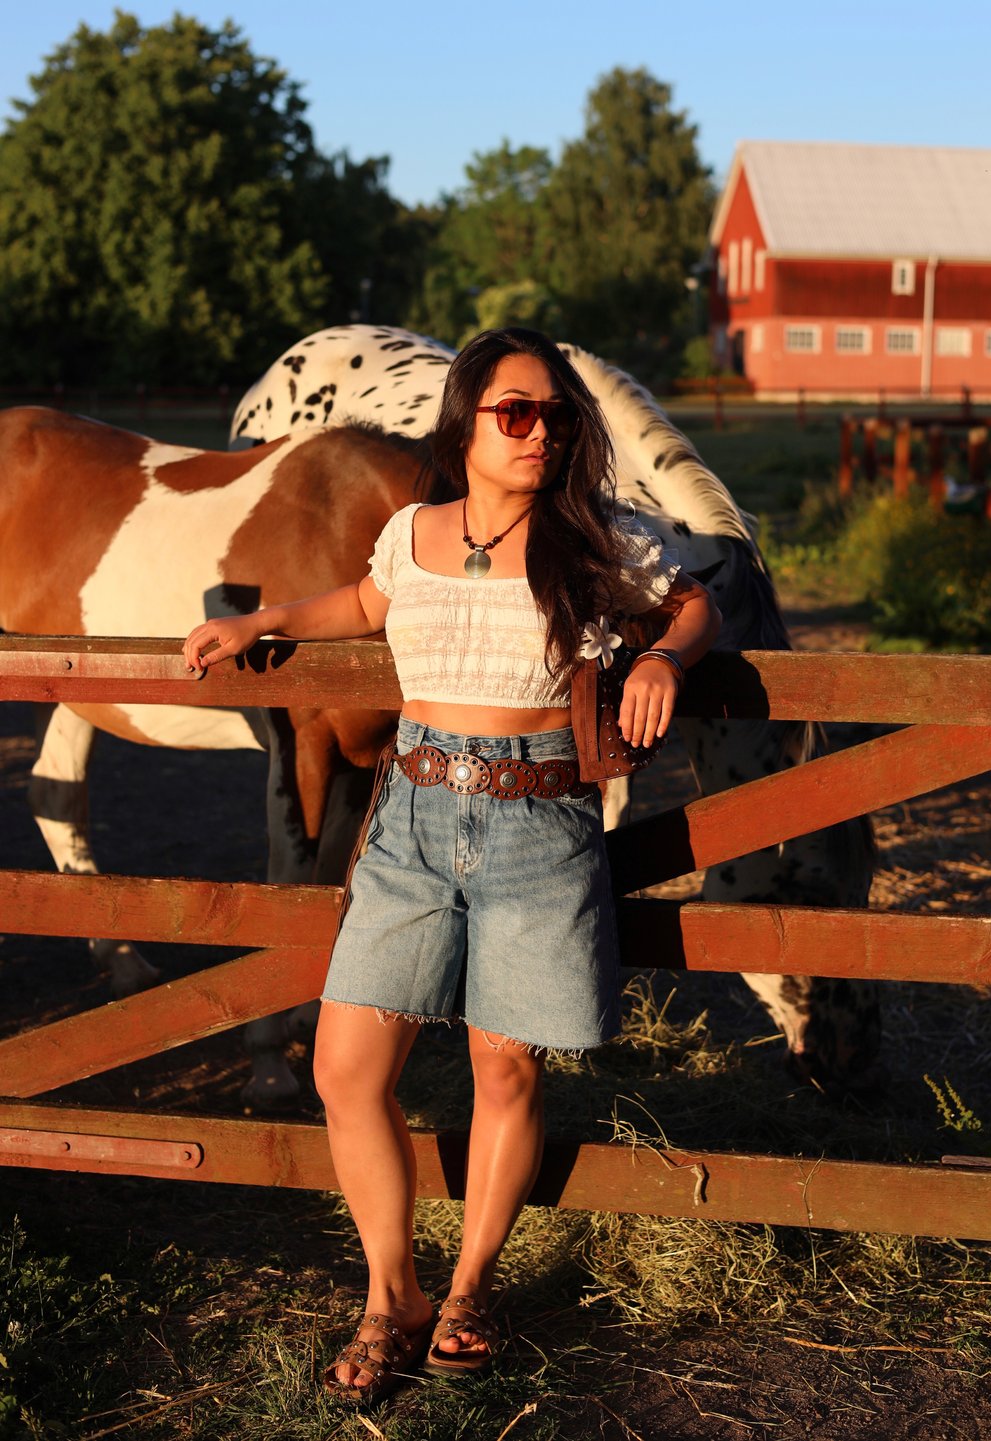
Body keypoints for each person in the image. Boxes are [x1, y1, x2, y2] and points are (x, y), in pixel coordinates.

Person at [183, 327, 721, 1409]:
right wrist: (266, 621)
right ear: (465, 421)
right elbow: (370, 608)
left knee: (504, 1071)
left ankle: (469, 1289)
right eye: (515, 412)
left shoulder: (594, 538)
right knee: (345, 1068)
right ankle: (393, 1295)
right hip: (413, 817)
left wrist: (662, 653)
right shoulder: (411, 530)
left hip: (537, 822)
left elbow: (691, 601)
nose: (540, 432)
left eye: (557, 416)